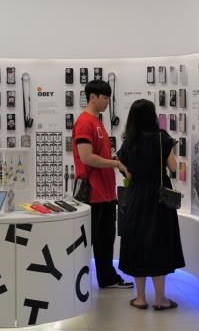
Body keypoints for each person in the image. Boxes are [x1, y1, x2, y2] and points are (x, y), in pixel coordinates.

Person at [117, 99, 185, 310]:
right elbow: (173, 167)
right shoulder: (161, 138)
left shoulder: (129, 141)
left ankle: (140, 298)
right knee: (159, 244)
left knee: (137, 243)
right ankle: (160, 299)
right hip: (159, 199)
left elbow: (124, 169)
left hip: (136, 197)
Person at [73, 79, 133, 289]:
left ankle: (107, 277)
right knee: (98, 239)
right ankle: (101, 278)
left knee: (106, 239)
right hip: (94, 192)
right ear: (93, 97)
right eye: (105, 97)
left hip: (106, 192)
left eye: (108, 97)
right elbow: (86, 157)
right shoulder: (84, 123)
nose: (108, 102)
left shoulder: (98, 123)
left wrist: (115, 162)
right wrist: (115, 163)